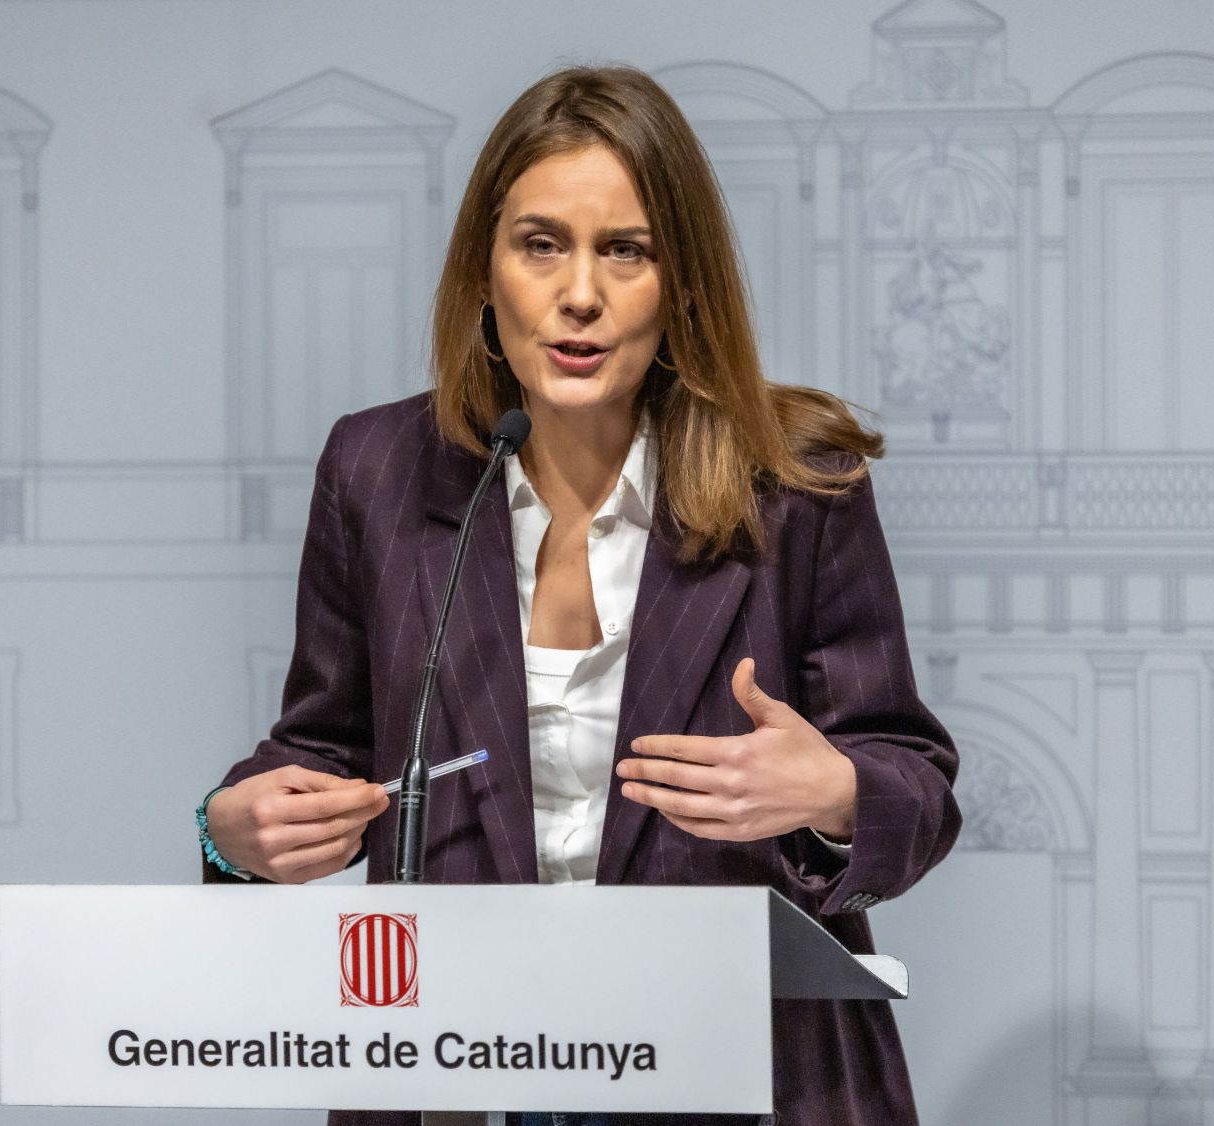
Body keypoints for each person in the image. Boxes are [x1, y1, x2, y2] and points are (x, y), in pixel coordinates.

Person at [199, 64, 961, 1126]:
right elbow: (323, 747)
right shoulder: (374, 469)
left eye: (626, 250)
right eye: (540, 243)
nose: (579, 294)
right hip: (456, 1072)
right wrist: (231, 833)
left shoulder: (794, 482)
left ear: (682, 282)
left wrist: (832, 791)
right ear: (484, 271)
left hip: (741, 1076)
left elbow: (913, 787)